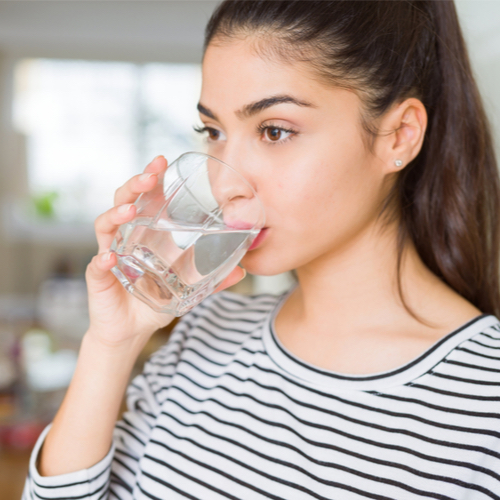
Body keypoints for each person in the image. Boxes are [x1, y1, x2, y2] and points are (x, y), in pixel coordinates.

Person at [22, 1, 500, 498]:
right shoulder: (204, 333)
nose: (226, 184)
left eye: (275, 131)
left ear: (398, 136)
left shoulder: (487, 403)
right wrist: (110, 346)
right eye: (213, 132)